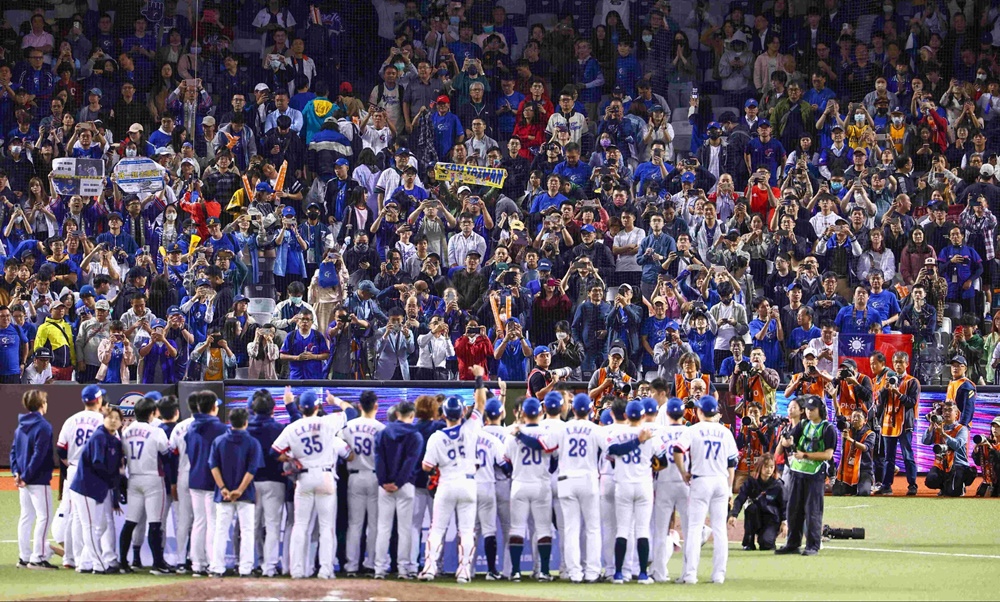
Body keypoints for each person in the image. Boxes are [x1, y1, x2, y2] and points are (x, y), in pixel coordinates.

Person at [271, 389, 354, 579]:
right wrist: (336, 400)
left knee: (300, 525)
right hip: (326, 476)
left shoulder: (293, 427)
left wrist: (292, 460)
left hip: (304, 478)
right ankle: (326, 571)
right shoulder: (327, 422)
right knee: (326, 527)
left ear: (300, 408)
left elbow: (274, 452)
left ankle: (297, 570)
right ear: (317, 406)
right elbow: (351, 412)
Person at [417, 371, 487, 583]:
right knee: (466, 531)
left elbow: (426, 466)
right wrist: (479, 378)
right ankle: (464, 571)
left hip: (447, 483)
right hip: (467, 483)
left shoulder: (437, 436)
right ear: (461, 413)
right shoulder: (471, 427)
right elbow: (481, 403)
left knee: (437, 529)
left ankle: (429, 568)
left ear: (444, 414)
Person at [672, 395, 738, 584]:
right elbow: (731, 463)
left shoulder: (692, 430)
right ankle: (718, 575)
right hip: (720, 482)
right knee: (720, 530)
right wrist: (729, 489)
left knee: (693, 529)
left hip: (700, 481)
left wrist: (683, 472)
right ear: (715, 412)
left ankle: (690, 575)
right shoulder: (725, 432)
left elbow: (677, 450)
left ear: (699, 411)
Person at [602, 399, 657, 584]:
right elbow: (662, 460)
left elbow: (612, 452)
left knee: (622, 530)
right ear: (643, 415)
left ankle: (618, 573)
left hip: (623, 484)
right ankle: (642, 574)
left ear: (625, 415)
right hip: (643, 485)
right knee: (642, 530)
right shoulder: (650, 433)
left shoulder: (618, 433)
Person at [774, 395, 836, 556]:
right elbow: (791, 440)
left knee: (812, 510)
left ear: (820, 410)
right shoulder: (803, 424)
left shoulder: (828, 429)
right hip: (797, 472)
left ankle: (813, 545)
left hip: (815, 474)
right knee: (793, 509)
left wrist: (805, 455)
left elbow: (828, 455)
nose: (809, 412)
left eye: (812, 409)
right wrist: (786, 442)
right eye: (807, 409)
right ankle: (792, 543)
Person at [118, 397, 172, 574]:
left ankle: (126, 562)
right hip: (153, 479)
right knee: (155, 523)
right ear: (152, 413)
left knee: (131, 522)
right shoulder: (156, 431)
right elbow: (166, 456)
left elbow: (122, 456)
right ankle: (158, 563)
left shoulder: (126, 431)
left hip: (133, 478)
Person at [68, 405, 124, 575]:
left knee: (101, 524)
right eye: (110, 417)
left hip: (98, 487)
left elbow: (114, 471)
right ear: (104, 418)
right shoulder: (99, 436)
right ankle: (99, 564)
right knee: (91, 526)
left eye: (117, 418)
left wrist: (114, 498)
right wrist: (113, 479)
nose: (113, 420)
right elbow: (97, 463)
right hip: (85, 487)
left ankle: (84, 563)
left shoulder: (115, 440)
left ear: (121, 422)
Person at [208, 407, 263, 578]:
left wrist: (224, 488)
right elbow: (252, 470)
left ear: (229, 422)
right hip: (245, 494)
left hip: (223, 493)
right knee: (247, 531)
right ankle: (245, 569)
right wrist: (239, 490)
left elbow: (213, 466)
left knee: (220, 531)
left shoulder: (219, 441)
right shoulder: (252, 442)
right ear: (246, 422)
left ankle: (217, 568)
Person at [505, 397, 555, 582]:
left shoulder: (512, 433)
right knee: (543, 529)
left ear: (522, 413)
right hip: (541, 483)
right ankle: (543, 571)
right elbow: (554, 458)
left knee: (517, 528)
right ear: (541, 412)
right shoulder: (547, 431)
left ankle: (516, 571)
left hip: (519, 483)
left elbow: (506, 463)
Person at [373, 400, 424, 580]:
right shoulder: (416, 436)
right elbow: (410, 462)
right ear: (412, 415)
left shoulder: (383, 433)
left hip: (385, 488)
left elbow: (378, 460)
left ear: (397, 414)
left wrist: (384, 481)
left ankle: (379, 569)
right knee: (405, 530)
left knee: (383, 529)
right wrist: (399, 482)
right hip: (406, 486)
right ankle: (403, 569)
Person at [184, 391, 229, 577]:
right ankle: (212, 564)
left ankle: (197, 564)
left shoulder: (191, 426)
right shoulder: (220, 428)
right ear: (212, 407)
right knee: (212, 523)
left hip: (194, 478)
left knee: (199, 522)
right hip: (212, 480)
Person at [340, 391, 385, 576]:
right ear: (376, 406)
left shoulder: (348, 426)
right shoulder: (382, 428)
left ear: (359, 406)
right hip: (375, 477)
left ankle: (351, 566)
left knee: (354, 524)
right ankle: (371, 565)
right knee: (374, 524)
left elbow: (340, 451)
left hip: (354, 476)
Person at [11, 389, 55, 569]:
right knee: (44, 517)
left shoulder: (20, 425)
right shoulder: (44, 426)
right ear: (41, 404)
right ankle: (38, 557)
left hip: (23, 479)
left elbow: (13, 451)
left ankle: (24, 557)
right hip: (37, 479)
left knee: (26, 517)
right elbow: (39, 454)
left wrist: (17, 473)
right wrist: (27, 476)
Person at [876, 351, 920, 496]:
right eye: (895, 362)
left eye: (901, 362)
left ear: (907, 364)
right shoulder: (887, 379)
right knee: (888, 457)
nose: (898, 365)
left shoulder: (912, 381)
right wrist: (885, 389)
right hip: (888, 423)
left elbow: (912, 403)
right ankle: (886, 485)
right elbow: (880, 403)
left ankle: (912, 484)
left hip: (904, 424)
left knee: (908, 455)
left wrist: (898, 394)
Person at [728, 453, 786, 551]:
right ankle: (748, 541)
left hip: (772, 519)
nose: (769, 470)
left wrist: (785, 522)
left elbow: (785, 505)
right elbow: (740, 498)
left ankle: (768, 538)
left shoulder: (778, 485)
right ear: (760, 467)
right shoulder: (751, 482)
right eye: (766, 466)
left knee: (766, 544)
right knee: (751, 508)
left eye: (772, 467)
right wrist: (733, 514)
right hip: (756, 516)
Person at [922, 402, 972, 497]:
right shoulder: (938, 426)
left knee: (953, 493)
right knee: (930, 480)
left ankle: (960, 485)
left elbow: (956, 445)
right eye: (944, 410)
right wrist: (931, 425)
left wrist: (943, 434)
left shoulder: (962, 429)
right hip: (941, 464)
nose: (946, 413)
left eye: (950, 410)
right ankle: (944, 487)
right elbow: (925, 441)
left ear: (956, 414)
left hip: (957, 464)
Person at [832, 409, 877, 497]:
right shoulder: (848, 429)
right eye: (853, 417)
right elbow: (840, 419)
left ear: (865, 421)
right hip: (848, 469)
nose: (855, 419)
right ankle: (853, 488)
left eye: (859, 417)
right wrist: (834, 398)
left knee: (864, 493)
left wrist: (849, 439)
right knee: (837, 492)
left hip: (863, 469)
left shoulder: (870, 434)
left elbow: (865, 448)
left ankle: (867, 485)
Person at [945, 355, 977, 426]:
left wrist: (962, 425)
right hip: (950, 423)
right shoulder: (952, 383)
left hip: (960, 424)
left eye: (959, 366)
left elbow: (968, 408)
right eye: (953, 366)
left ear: (965, 368)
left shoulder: (967, 385)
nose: (955, 368)